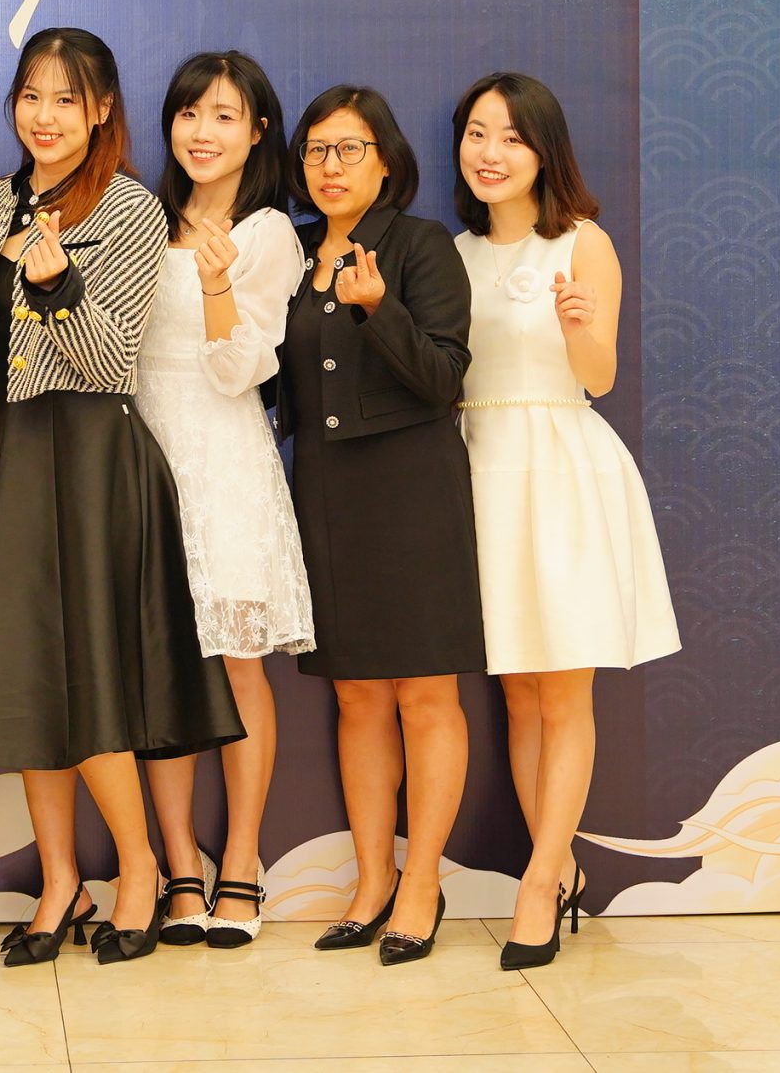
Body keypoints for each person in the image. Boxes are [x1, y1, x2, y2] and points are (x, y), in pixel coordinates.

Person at [0, 27, 242, 967]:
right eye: (31, 96)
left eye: (66, 99)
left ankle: (138, 870)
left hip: (91, 449)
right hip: (11, 447)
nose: (45, 117)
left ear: (102, 110)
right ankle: (58, 883)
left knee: (90, 673)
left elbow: (110, 360)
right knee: (26, 677)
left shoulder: (127, 208)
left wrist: (57, 286)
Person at [452, 71, 678, 971]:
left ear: (544, 152)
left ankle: (538, 882)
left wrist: (582, 324)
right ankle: (560, 866)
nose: (491, 153)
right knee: (516, 689)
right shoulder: (454, 254)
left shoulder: (584, 243)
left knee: (563, 691)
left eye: (511, 137)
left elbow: (600, 377)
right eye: (477, 133)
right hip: (480, 472)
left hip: (560, 471)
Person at [280, 85, 483, 967]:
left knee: (424, 695)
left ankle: (422, 883)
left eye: (350, 149)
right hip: (326, 490)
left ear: (387, 160)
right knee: (356, 695)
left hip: (413, 489)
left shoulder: (420, 245)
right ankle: (371, 882)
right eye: (317, 151)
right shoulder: (289, 251)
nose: (330, 167)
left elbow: (443, 379)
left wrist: (376, 308)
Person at [134, 53, 314, 949]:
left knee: (240, 666)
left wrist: (214, 285)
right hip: (141, 459)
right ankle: (180, 865)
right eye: (188, 114)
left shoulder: (270, 233)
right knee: (161, 671)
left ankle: (242, 860)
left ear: (258, 131)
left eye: (224, 116)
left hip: (224, 457)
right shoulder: (137, 220)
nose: (202, 133)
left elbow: (243, 370)